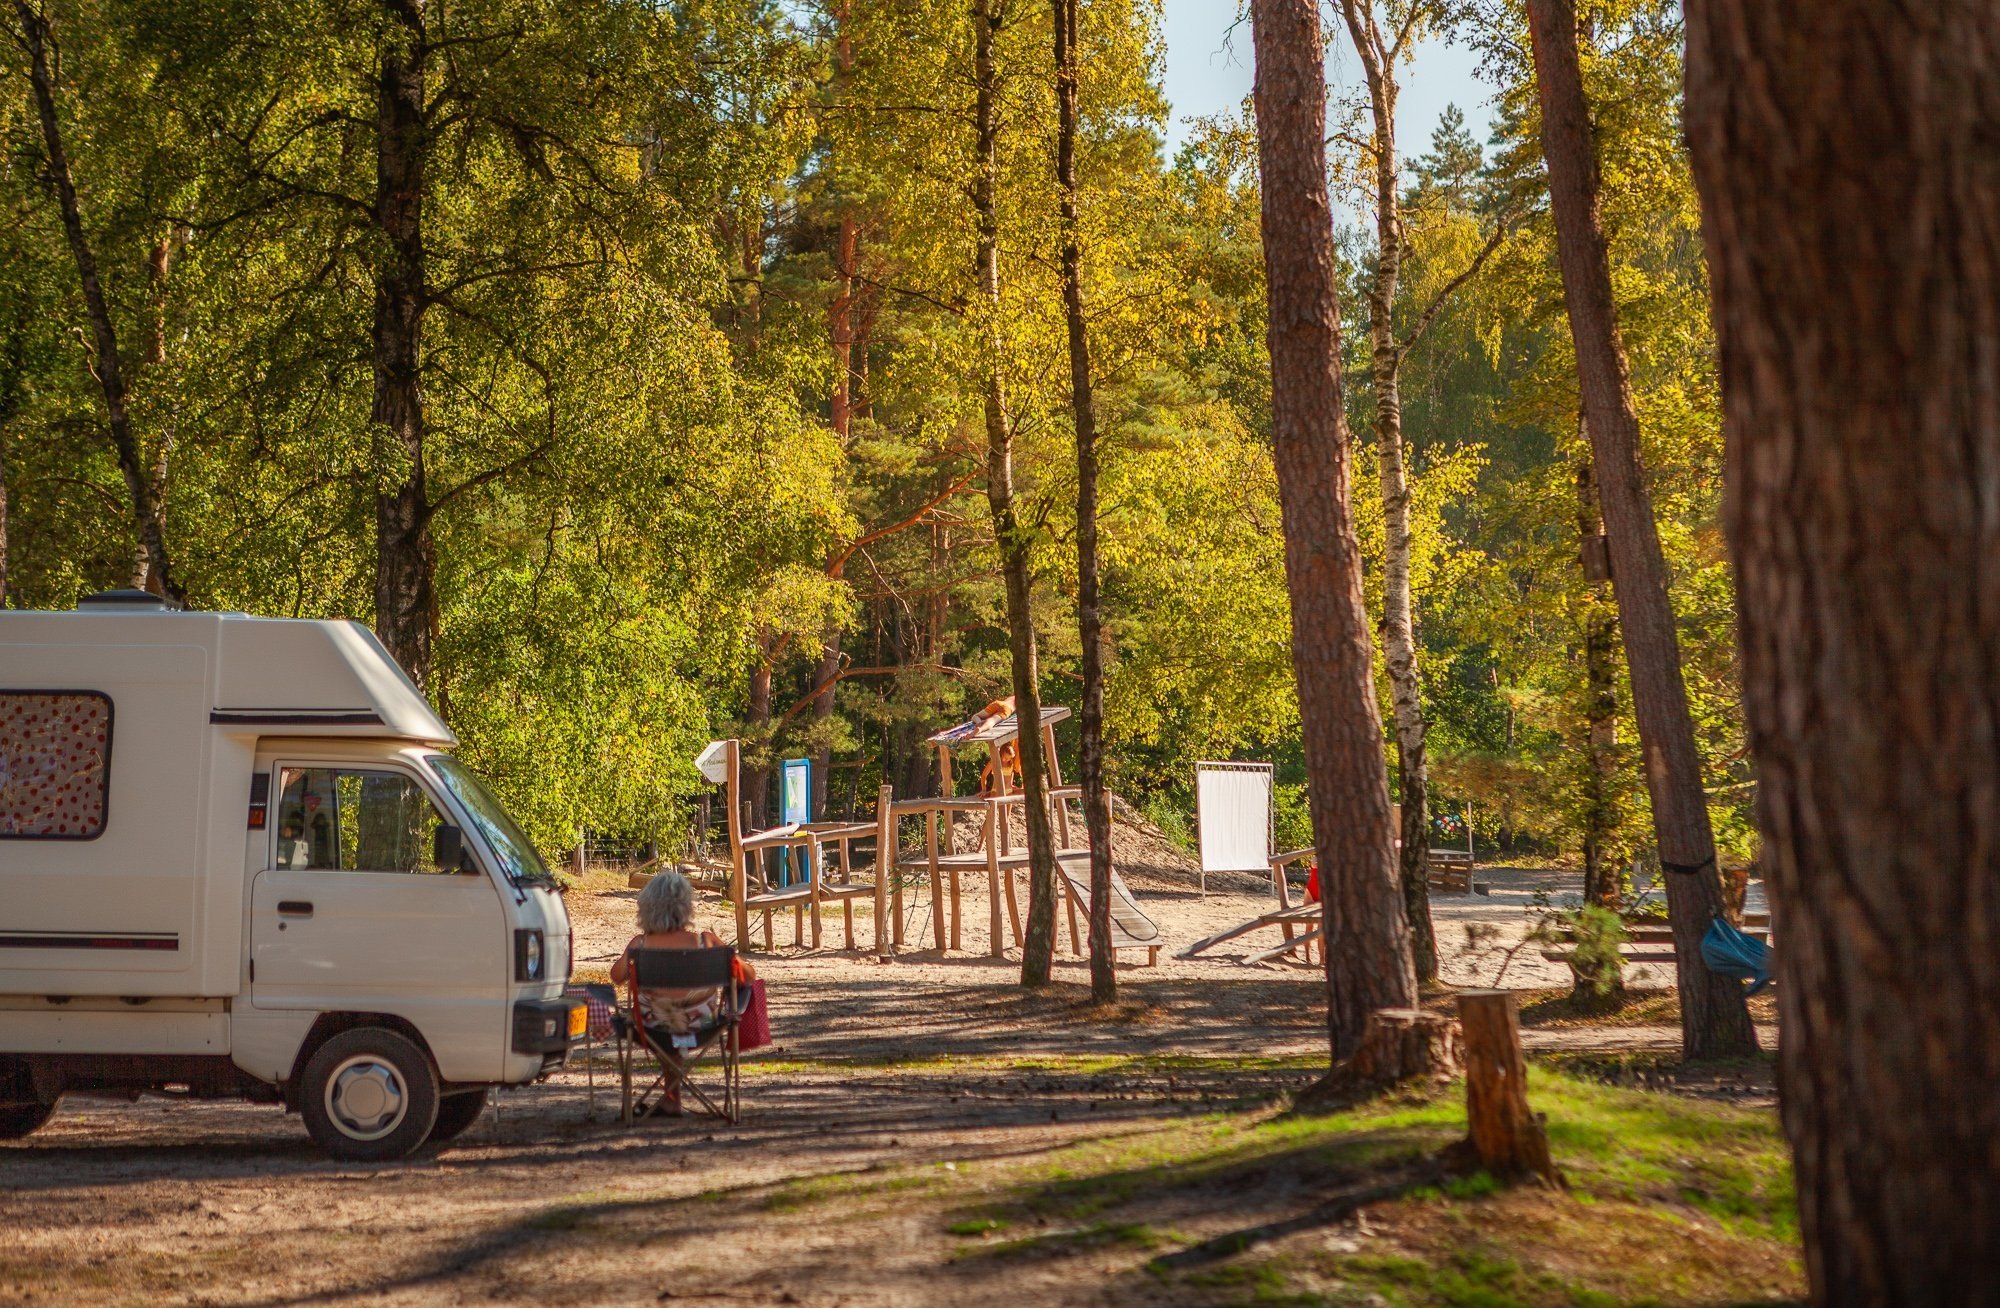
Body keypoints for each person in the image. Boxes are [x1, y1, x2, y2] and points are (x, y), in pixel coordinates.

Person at [609, 871, 753, 1112]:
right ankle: (671, 1100)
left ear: (646, 908)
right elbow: (748, 976)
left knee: (663, 1019)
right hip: (701, 1027)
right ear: (686, 906)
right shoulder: (706, 942)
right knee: (678, 1017)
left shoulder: (639, 946)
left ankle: (671, 1100)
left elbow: (616, 977)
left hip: (653, 1028)